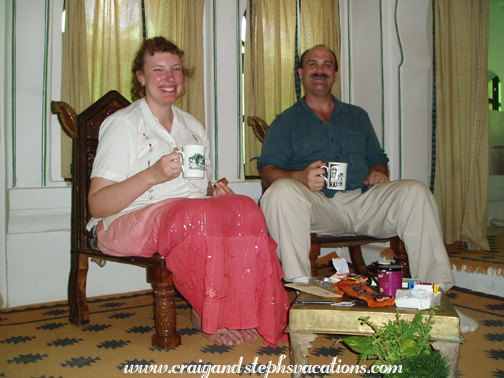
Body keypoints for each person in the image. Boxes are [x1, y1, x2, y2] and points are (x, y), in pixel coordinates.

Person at [257, 45, 477, 332]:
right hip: (316, 206)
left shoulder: (357, 116)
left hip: (363, 202)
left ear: (335, 74)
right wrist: (299, 177)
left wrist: (377, 173)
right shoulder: (285, 122)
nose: (320, 70)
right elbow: (267, 173)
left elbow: (378, 160)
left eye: (327, 65)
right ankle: (306, 295)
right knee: (280, 192)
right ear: (301, 73)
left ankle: (435, 299)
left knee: (416, 191)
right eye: (312, 64)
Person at [86, 37, 289, 347]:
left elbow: (194, 188)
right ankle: (206, 310)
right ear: (141, 78)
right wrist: (151, 175)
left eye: (176, 69)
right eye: (158, 70)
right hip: (124, 222)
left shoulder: (193, 127)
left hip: (185, 214)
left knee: (243, 206)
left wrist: (213, 193)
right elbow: (98, 204)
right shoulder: (124, 124)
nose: (169, 78)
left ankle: (243, 309)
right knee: (193, 214)